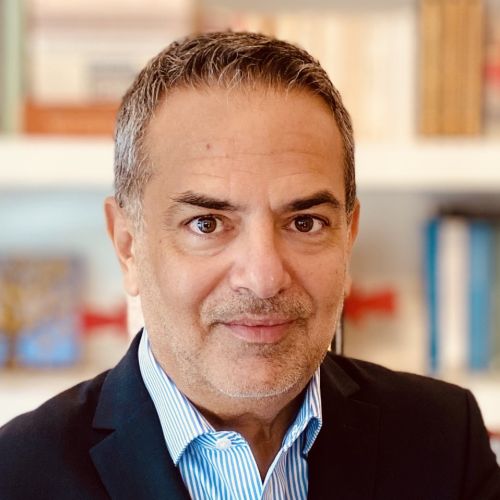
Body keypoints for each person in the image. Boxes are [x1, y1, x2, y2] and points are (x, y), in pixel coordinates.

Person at [1, 31, 499, 500]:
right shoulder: (16, 475)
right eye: (207, 224)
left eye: (304, 222)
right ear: (128, 245)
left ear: (348, 237)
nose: (263, 279)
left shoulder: (444, 441)